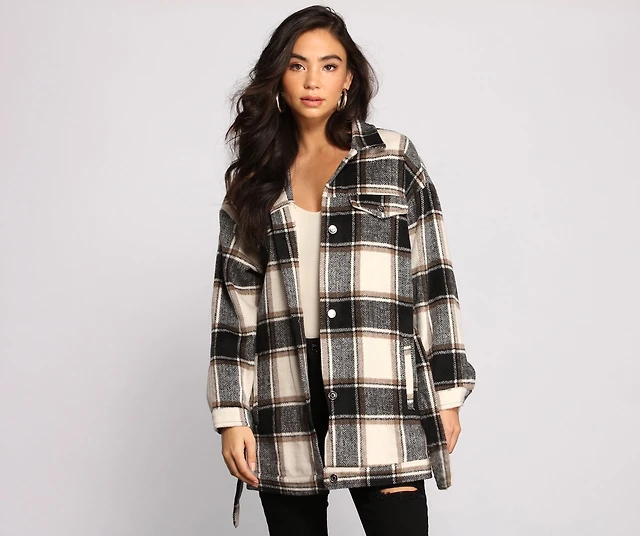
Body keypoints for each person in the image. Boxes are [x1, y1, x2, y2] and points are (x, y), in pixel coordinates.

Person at [206, 5, 476, 535]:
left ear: (348, 77)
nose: (313, 81)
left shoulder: (393, 158)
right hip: (284, 389)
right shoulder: (254, 181)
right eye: (297, 65)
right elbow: (234, 309)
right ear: (278, 76)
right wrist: (231, 415)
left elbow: (433, 280)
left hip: (380, 385)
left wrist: (447, 394)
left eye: (329, 66)